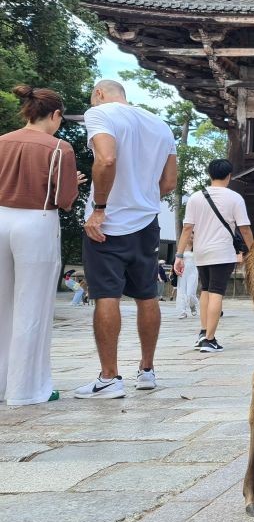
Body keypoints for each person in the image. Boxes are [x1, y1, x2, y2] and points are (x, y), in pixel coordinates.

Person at [74, 80, 177, 400]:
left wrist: (100, 208)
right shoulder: (160, 124)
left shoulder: (99, 113)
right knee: (147, 295)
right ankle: (147, 370)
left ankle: (109, 378)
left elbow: (106, 159)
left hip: (108, 224)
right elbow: (170, 182)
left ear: (100, 93)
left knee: (107, 295)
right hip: (147, 222)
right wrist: (142, 199)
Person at [0, 86, 82, 405]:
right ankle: (27, 389)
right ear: (55, 114)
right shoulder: (60, 148)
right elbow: (64, 199)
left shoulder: (2, 141)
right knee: (32, 307)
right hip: (36, 221)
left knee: (2, 304)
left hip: (0, 217)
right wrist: (74, 182)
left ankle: (3, 382)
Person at [174, 159, 253, 353]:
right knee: (217, 292)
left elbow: (187, 228)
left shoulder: (195, 198)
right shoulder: (235, 198)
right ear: (229, 176)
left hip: (201, 252)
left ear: (210, 175)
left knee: (206, 291)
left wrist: (179, 254)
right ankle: (209, 339)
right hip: (223, 252)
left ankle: (203, 332)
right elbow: (244, 229)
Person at [173, 250, 199, 319]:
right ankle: (182, 312)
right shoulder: (181, 246)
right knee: (181, 291)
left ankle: (192, 305)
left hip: (193, 271)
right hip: (183, 270)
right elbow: (177, 258)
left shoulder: (196, 245)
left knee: (190, 292)